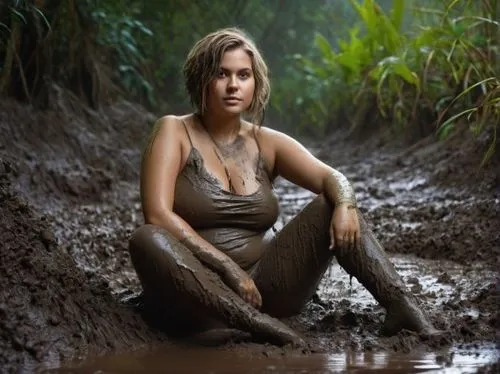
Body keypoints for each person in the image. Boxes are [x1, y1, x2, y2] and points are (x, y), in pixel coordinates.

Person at [128, 27, 438, 346]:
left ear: (256, 83)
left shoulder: (267, 142)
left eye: (243, 75)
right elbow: (158, 213)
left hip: (265, 290)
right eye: (221, 74)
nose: (233, 85)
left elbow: (333, 178)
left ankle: (402, 306)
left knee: (332, 203)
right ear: (200, 78)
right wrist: (228, 267)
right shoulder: (173, 131)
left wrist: (346, 205)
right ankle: (252, 324)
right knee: (146, 238)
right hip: (194, 296)